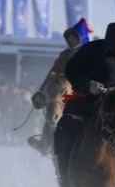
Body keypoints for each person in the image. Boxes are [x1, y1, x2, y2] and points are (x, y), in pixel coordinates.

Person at [54, 22, 115, 187]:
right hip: (86, 99)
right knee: (64, 128)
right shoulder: (91, 50)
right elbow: (71, 69)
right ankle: (65, 174)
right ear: (113, 38)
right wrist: (88, 85)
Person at [28, 19, 89, 154]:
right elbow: (53, 72)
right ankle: (44, 143)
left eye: (74, 37)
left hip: (80, 88)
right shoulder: (64, 54)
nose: (71, 40)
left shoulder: (88, 54)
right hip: (61, 85)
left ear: (81, 38)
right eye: (69, 37)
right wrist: (42, 90)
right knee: (52, 111)